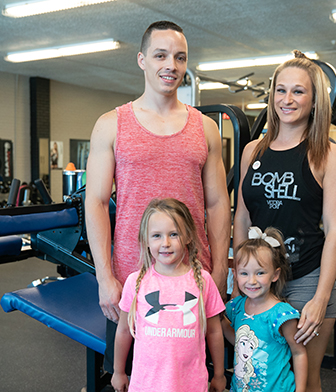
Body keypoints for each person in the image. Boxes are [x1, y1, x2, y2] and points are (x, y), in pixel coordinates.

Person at [85, 20, 230, 373]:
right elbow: (97, 203)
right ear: (141, 60)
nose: (171, 66)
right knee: (132, 375)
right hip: (133, 278)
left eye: (180, 58)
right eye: (161, 55)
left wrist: (222, 269)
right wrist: (105, 277)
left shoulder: (205, 127)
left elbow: (218, 203)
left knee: (193, 374)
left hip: (193, 277)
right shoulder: (111, 124)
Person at [232, 50, 336, 392]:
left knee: (301, 379)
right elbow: (242, 214)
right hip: (258, 278)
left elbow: (335, 231)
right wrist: (239, 273)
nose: (287, 99)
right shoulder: (253, 150)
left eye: (298, 91)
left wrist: (320, 297)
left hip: (305, 281)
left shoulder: (329, 154)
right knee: (257, 372)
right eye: (280, 90)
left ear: (314, 100)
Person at [111, 198, 226, 392]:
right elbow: (123, 331)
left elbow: (214, 332)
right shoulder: (135, 282)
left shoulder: (203, 281)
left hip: (190, 385)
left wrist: (219, 374)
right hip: (145, 385)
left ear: (188, 236)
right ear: (146, 240)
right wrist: (118, 371)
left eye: (174, 234)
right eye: (157, 235)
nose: (165, 243)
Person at [223, 226, 308, 392]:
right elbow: (238, 340)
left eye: (260, 273)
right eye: (244, 273)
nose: (252, 281)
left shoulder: (282, 314)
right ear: (234, 274)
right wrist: (217, 316)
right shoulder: (237, 306)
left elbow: (299, 353)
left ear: (275, 275)